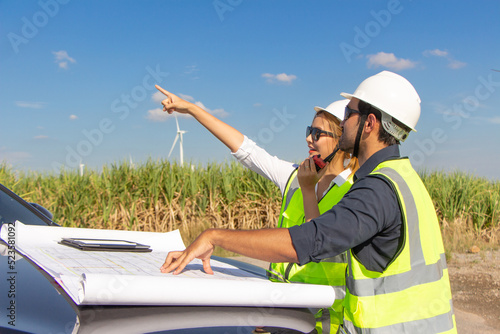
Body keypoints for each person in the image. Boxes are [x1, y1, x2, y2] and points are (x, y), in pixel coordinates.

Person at [160, 71, 457, 334]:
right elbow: (248, 151)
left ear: (369, 123)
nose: (343, 122)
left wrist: (215, 236)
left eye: (348, 115)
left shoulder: (373, 190)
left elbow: (309, 241)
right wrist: (192, 109)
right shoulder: (402, 178)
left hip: (328, 319)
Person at [155, 85, 358, 333]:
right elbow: (247, 150)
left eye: (317, 133)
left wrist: (308, 191)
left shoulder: (355, 191)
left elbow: (314, 244)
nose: (308, 138)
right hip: (279, 314)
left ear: (341, 140)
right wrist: (192, 110)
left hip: (320, 321)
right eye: (309, 130)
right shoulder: (294, 175)